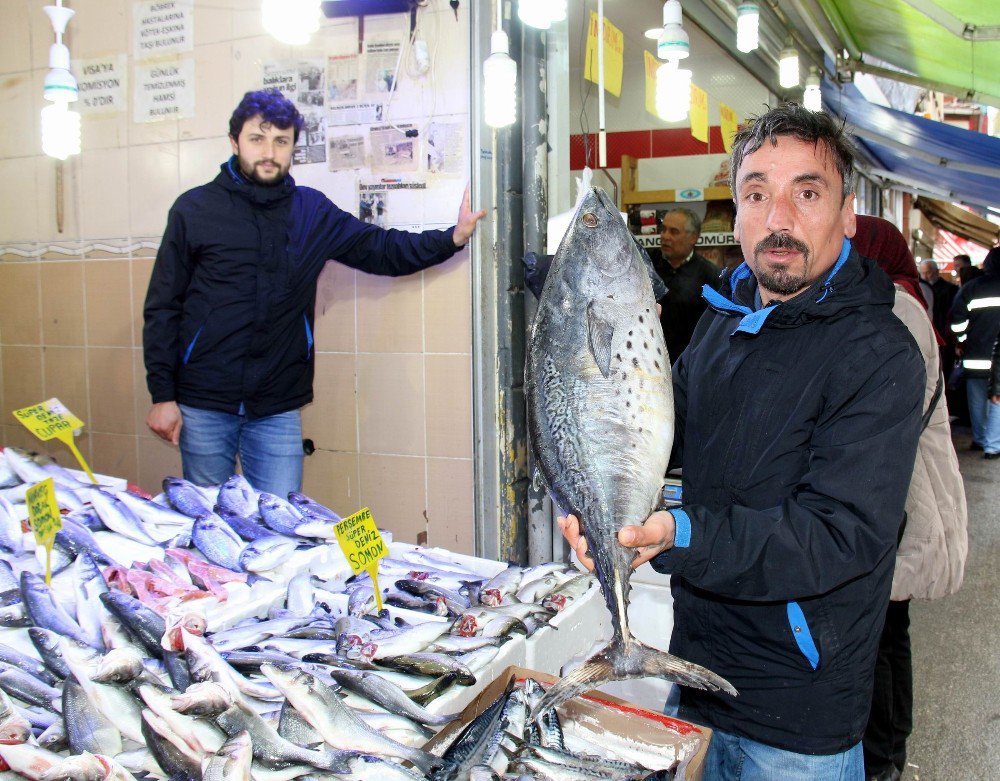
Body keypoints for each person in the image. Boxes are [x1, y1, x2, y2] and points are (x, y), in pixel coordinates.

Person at [559, 104, 924, 780]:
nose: (778, 218)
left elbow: (837, 534)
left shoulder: (879, 355)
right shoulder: (721, 327)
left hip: (795, 718)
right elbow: (671, 460)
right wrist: (620, 517)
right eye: (757, 192)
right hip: (696, 674)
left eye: (806, 192)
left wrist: (680, 533)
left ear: (848, 214)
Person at [144, 89, 485, 496]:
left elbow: (381, 250)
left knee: (283, 525)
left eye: (281, 141)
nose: (269, 151)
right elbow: (163, 307)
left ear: (292, 149)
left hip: (276, 405)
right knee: (208, 525)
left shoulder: (311, 211)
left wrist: (452, 237)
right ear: (234, 142)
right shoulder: (193, 210)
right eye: (257, 139)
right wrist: (162, 395)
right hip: (203, 402)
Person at [853, 216, 968, 781]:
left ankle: (884, 757)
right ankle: (889, 750)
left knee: (880, 636)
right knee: (888, 633)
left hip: (894, 494)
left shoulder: (895, 310)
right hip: (896, 490)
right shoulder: (899, 301)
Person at [650, 208, 720, 363]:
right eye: (664, 229)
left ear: (693, 238)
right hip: (648, 360)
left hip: (688, 365)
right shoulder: (646, 265)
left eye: (674, 232)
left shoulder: (710, 277)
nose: (665, 236)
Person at [950, 247, 1000, 458]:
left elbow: (957, 323)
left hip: (975, 355)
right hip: (998, 358)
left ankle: (980, 439)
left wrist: (963, 341)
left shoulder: (971, 288)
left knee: (977, 398)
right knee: (997, 399)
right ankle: (993, 444)